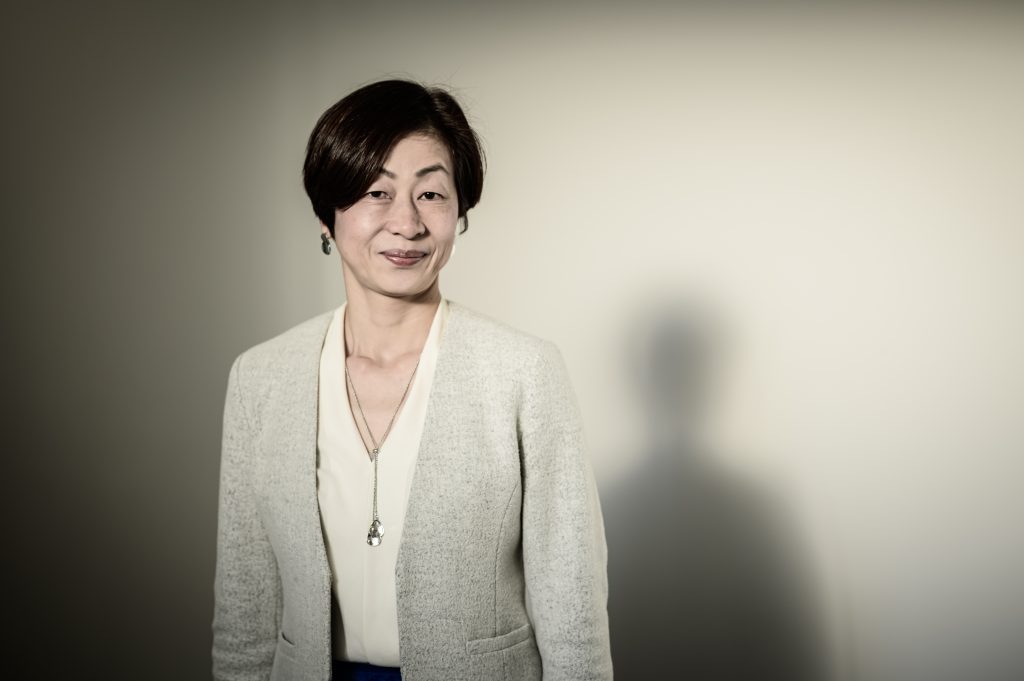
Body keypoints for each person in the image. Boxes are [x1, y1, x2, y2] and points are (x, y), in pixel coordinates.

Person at [212, 79, 612, 681]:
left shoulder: (523, 372)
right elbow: (244, 610)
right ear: (328, 215)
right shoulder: (260, 378)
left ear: (460, 214)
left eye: (431, 193)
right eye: (376, 191)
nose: (406, 222)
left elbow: (571, 604)